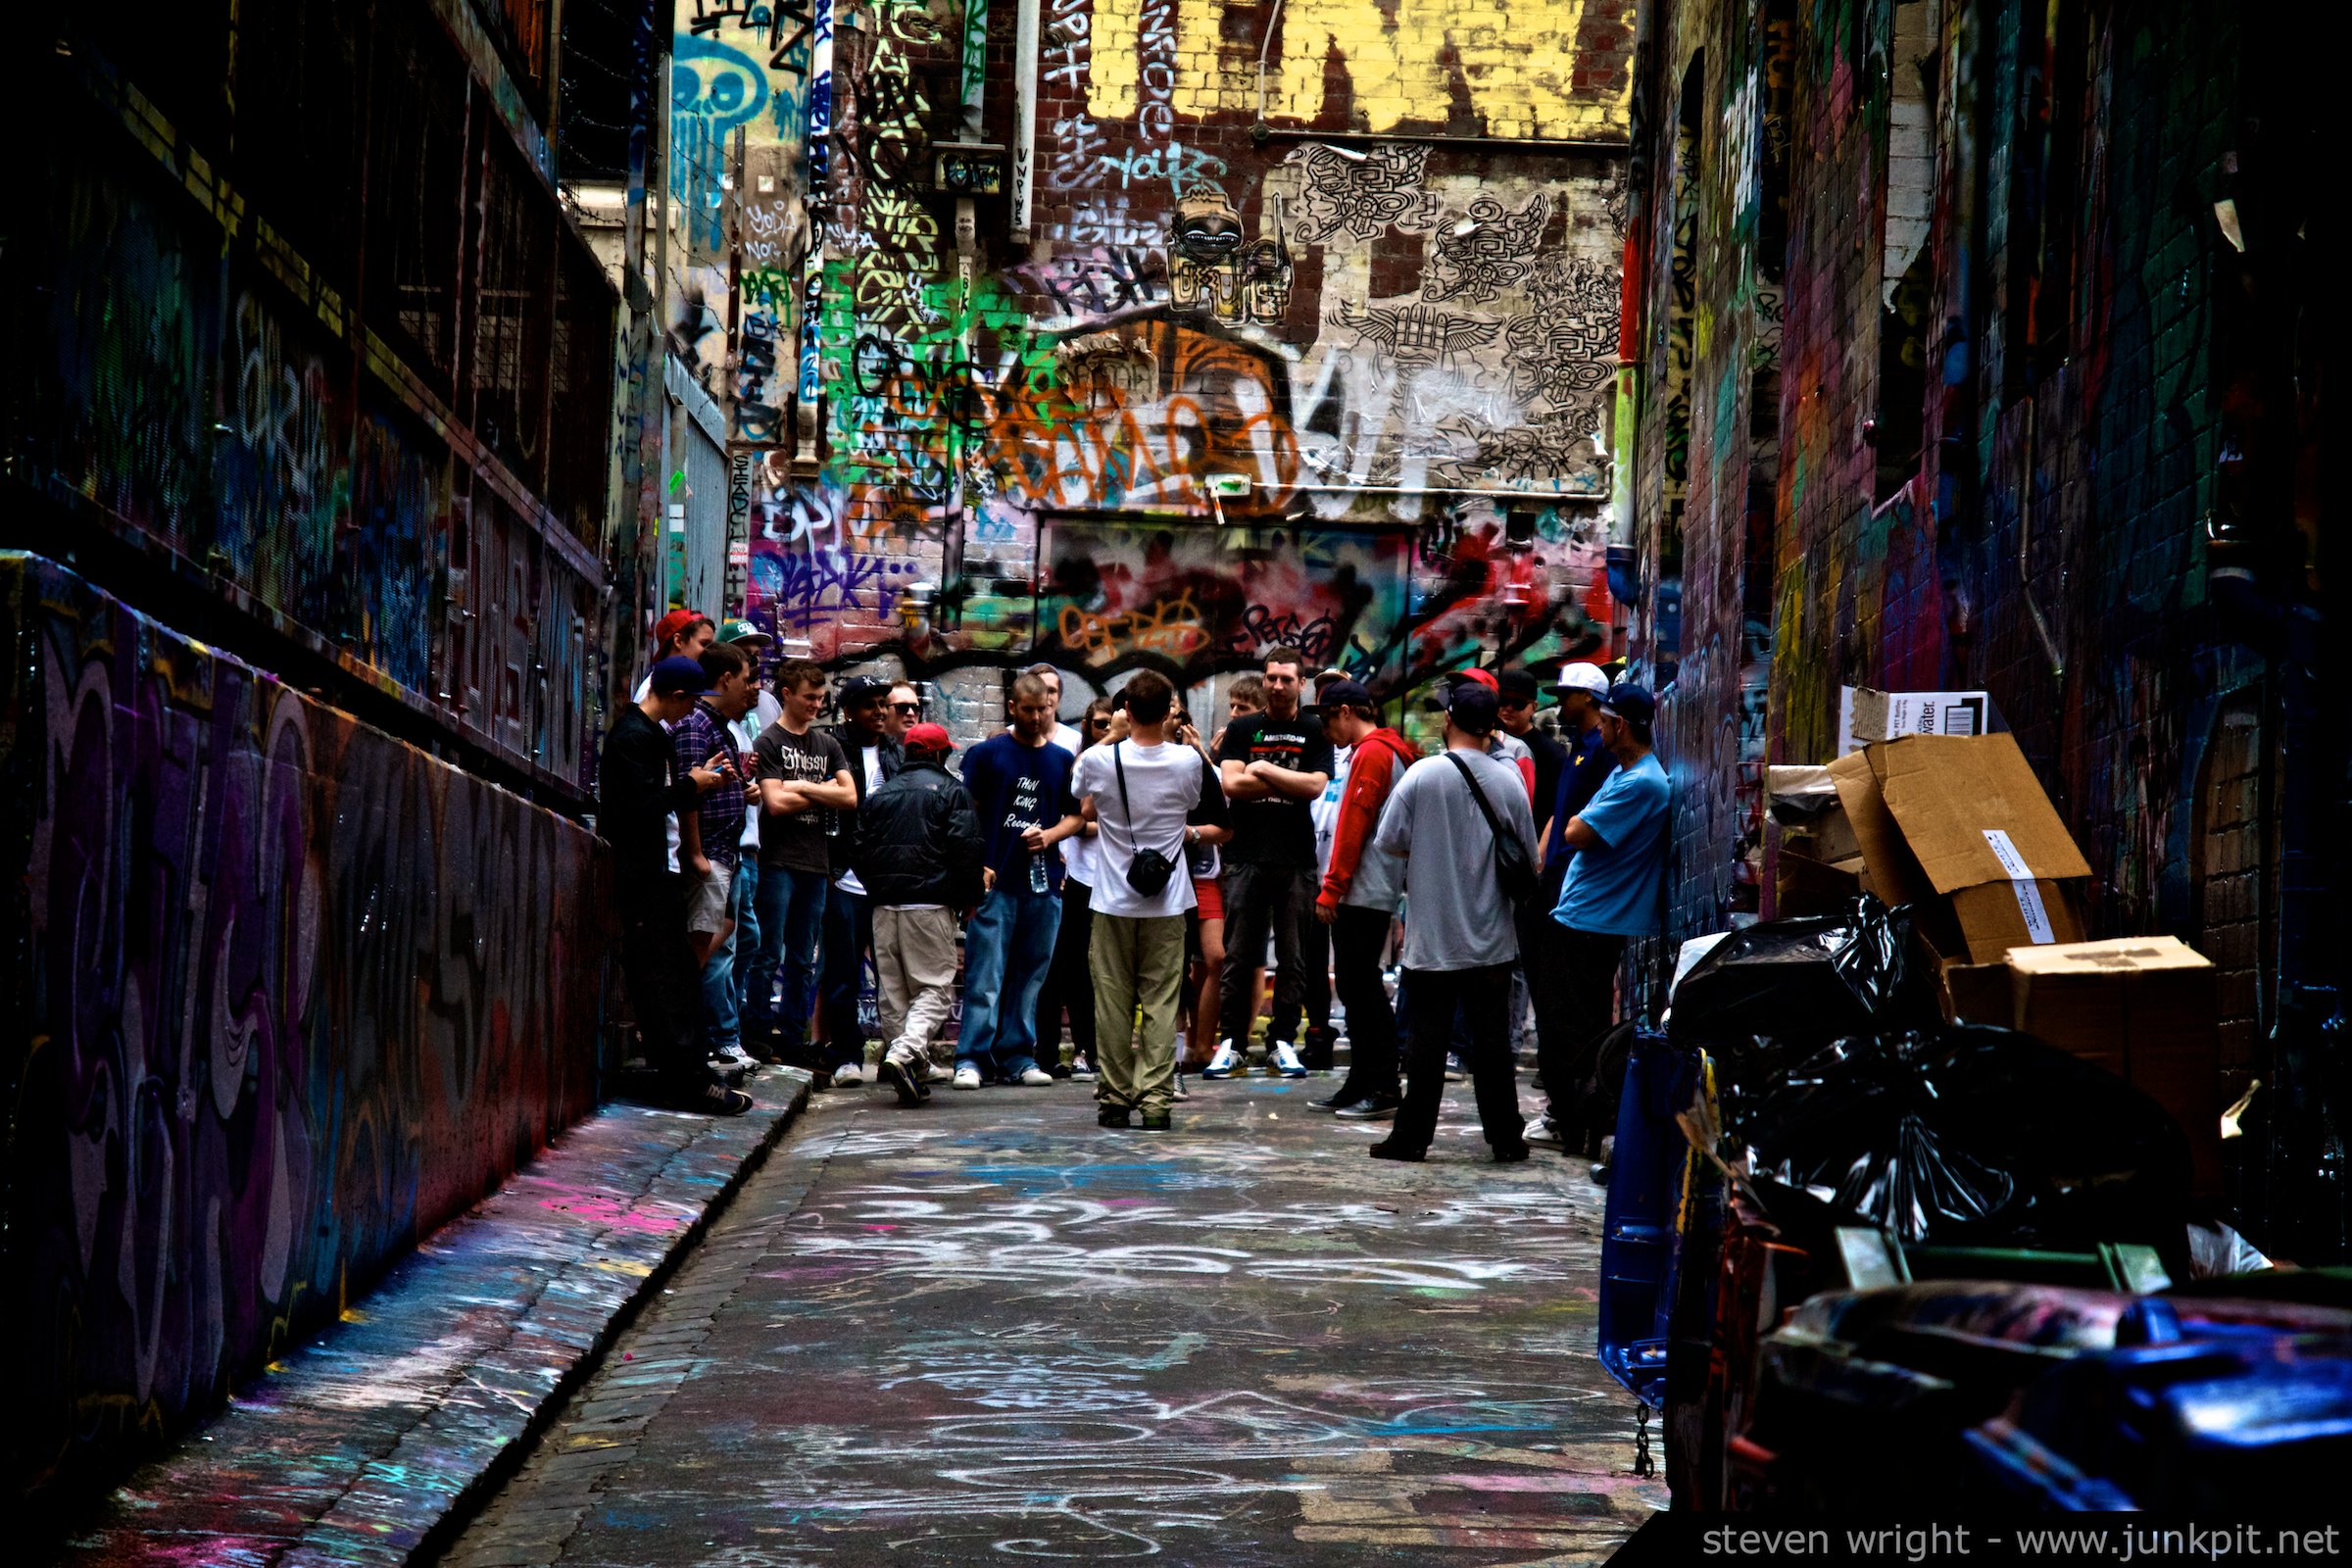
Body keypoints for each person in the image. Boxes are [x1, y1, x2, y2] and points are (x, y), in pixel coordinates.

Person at [1367, 680, 1539, 1162]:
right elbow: (1528, 855)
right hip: (1491, 939)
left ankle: (1411, 1138)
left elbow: (1389, 840)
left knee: (1425, 1044)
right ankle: (1505, 1138)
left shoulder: (1423, 775)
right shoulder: (1509, 781)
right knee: (1492, 1046)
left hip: (1433, 937)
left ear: (1449, 720)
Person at [1073, 671, 1229, 1131]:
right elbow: (1201, 805)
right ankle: (1156, 1100)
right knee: (1162, 1002)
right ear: (1167, 713)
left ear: (1126, 710)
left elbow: (1078, 790)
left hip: (1110, 900)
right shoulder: (1187, 762)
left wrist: (1112, 735)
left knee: (1111, 1001)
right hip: (1169, 900)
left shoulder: (1099, 759)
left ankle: (1114, 1098)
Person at [599, 656, 752, 1114]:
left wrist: (698, 784)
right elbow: (637, 809)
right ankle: (688, 1084)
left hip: (660, 874)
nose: (691, 711)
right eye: (691, 701)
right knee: (667, 984)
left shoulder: (651, 735)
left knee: (677, 979)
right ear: (678, 696)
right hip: (644, 878)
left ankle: (689, 1077)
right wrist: (691, 785)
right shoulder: (633, 737)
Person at [1544, 682, 1671, 1154]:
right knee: (1570, 1028)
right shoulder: (1624, 773)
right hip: (1583, 915)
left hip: (1592, 923)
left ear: (1620, 724)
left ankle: (1581, 1126)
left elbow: (1576, 831)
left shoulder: (1642, 783)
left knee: (1573, 1033)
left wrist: (1579, 821)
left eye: (1604, 722)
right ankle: (1577, 1124)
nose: (1597, 729)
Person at [1206, 647, 1332, 1080]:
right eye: (1271, 677)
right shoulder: (1242, 728)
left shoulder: (1315, 729)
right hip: (1245, 856)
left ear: (1301, 684)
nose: (1277, 685)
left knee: (1294, 958)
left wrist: (1260, 766)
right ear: (1264, 680)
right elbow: (1232, 784)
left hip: (1296, 859)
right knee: (1239, 956)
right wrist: (1286, 781)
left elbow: (1314, 786)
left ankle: (1282, 1042)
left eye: (1286, 679)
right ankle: (1232, 1043)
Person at [955, 674, 1083, 1089]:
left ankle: (1018, 1057)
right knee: (985, 977)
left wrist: (1050, 835)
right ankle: (972, 1058)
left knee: (1030, 978)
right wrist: (974, 868)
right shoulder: (986, 754)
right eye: (1028, 709)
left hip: (1044, 885)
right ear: (1013, 707)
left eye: (1043, 709)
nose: (1036, 717)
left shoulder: (1061, 759)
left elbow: (1078, 815)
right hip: (995, 883)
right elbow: (967, 815)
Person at [853, 723, 985, 1105]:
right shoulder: (951, 791)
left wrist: (877, 886)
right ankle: (905, 1051)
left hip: (884, 906)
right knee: (935, 988)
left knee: (894, 994)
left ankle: (913, 1068)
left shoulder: (879, 795)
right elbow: (966, 848)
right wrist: (970, 897)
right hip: (929, 904)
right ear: (940, 754)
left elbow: (857, 848)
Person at [1310, 682, 1417, 1119]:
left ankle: (1383, 1084)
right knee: (1358, 987)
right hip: (1372, 886)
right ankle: (1362, 1080)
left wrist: (1332, 886)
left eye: (1327, 718)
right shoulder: (1385, 751)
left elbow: (1354, 824)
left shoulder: (1373, 753)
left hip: (1363, 888)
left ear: (1347, 711)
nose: (1326, 730)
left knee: (1362, 988)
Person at [747, 661, 857, 1079]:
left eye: (820, 698)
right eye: (809, 697)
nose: (816, 705)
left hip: (816, 863)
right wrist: (823, 789)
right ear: (787, 694)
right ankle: (757, 1034)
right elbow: (775, 804)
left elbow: (850, 797)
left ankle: (792, 1040)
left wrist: (799, 786)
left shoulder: (827, 744)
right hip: (777, 862)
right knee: (767, 952)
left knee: (802, 959)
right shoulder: (769, 742)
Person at [1524, 662, 1617, 1148]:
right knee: (1555, 1003)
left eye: (1566, 695)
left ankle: (1575, 1113)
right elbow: (1562, 816)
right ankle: (1566, 1108)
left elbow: (1589, 823)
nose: (1559, 703)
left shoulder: (1601, 750)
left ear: (1589, 698)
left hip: (1578, 891)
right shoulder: (1578, 748)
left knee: (1572, 1008)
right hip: (1558, 882)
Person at [673, 643, 761, 1072]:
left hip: (727, 853)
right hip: (709, 853)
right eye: (745, 678)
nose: (751, 688)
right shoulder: (696, 723)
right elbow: (688, 790)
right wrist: (695, 853)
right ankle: (687, 1046)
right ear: (725, 679)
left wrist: (743, 789)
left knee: (720, 935)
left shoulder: (721, 726)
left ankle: (696, 1039)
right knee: (697, 950)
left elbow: (715, 781)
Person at [816, 676, 903, 1086]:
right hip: (844, 877)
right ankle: (846, 1056)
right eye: (870, 705)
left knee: (894, 974)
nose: (880, 712)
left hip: (887, 879)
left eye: (883, 703)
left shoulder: (897, 753)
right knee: (842, 974)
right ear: (848, 711)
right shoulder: (831, 748)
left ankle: (899, 1055)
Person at [1035, 698, 1115, 1080]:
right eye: (1100, 724)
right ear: (1087, 726)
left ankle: (1092, 1051)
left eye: (1113, 724)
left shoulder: (1130, 760)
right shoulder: (1082, 760)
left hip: (1118, 881)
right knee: (1063, 967)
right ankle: (1049, 1052)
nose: (1108, 730)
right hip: (1079, 876)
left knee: (1104, 970)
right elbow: (1083, 813)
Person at [713, 621, 777, 1046]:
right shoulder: (709, 723)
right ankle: (722, 1036)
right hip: (725, 849)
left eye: (757, 653)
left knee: (747, 941)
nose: (755, 662)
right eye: (746, 653)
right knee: (726, 943)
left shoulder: (758, 710)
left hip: (749, 848)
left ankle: (728, 1030)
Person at [1170, 699, 1235, 1092]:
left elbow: (1223, 813)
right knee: (1175, 968)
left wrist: (1200, 753)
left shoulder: (1197, 764)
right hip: (1162, 877)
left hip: (1203, 873)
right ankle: (1178, 1052)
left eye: (1181, 720)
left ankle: (1201, 1047)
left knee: (1215, 957)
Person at [1020, 662, 1085, 752]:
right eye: (1040, 690)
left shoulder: (1075, 741)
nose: (1045, 696)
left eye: (1051, 691)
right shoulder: (1009, 738)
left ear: (1059, 696)